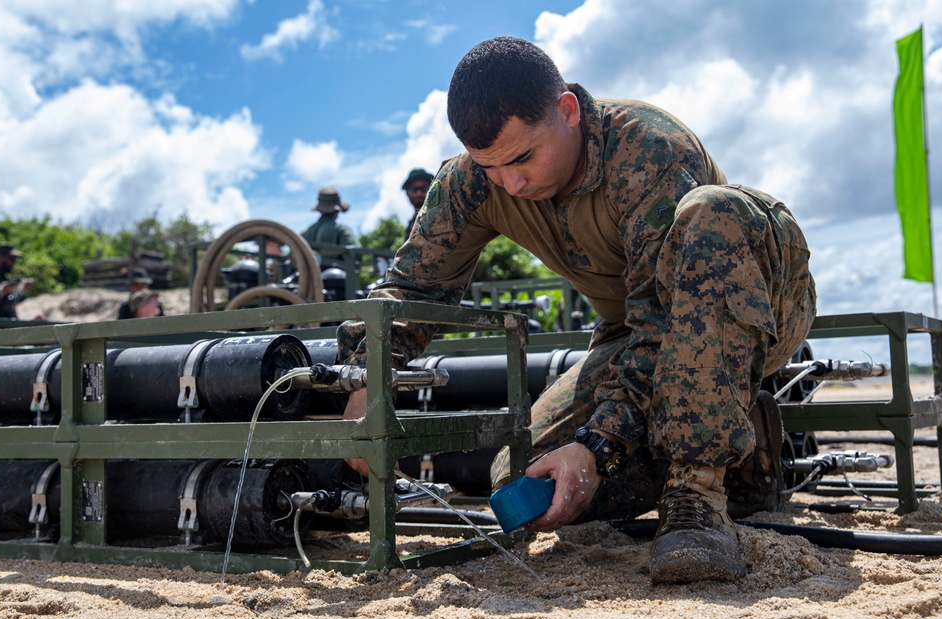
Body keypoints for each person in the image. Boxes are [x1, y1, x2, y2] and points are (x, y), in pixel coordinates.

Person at [336, 36, 815, 585]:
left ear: (566, 112)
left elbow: (664, 326)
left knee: (714, 212)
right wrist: (365, 381)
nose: (511, 183)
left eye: (522, 158)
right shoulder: (471, 181)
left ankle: (697, 493)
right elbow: (411, 287)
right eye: (491, 168)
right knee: (523, 481)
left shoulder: (647, 149)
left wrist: (596, 446)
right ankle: (746, 445)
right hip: (630, 332)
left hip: (749, 305)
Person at [302, 187, 359, 267]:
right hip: (338, 278)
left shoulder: (304, 234)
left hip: (308, 278)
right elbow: (356, 254)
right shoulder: (341, 230)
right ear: (337, 211)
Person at [0, 244, 34, 319]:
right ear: (0, 257)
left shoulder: (0, 275)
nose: (14, 262)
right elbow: (7, 303)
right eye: (11, 259)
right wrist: (21, 289)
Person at [401, 168, 435, 238]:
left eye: (424, 188)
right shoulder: (410, 226)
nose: (419, 193)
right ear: (407, 192)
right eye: (413, 189)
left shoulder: (444, 214)